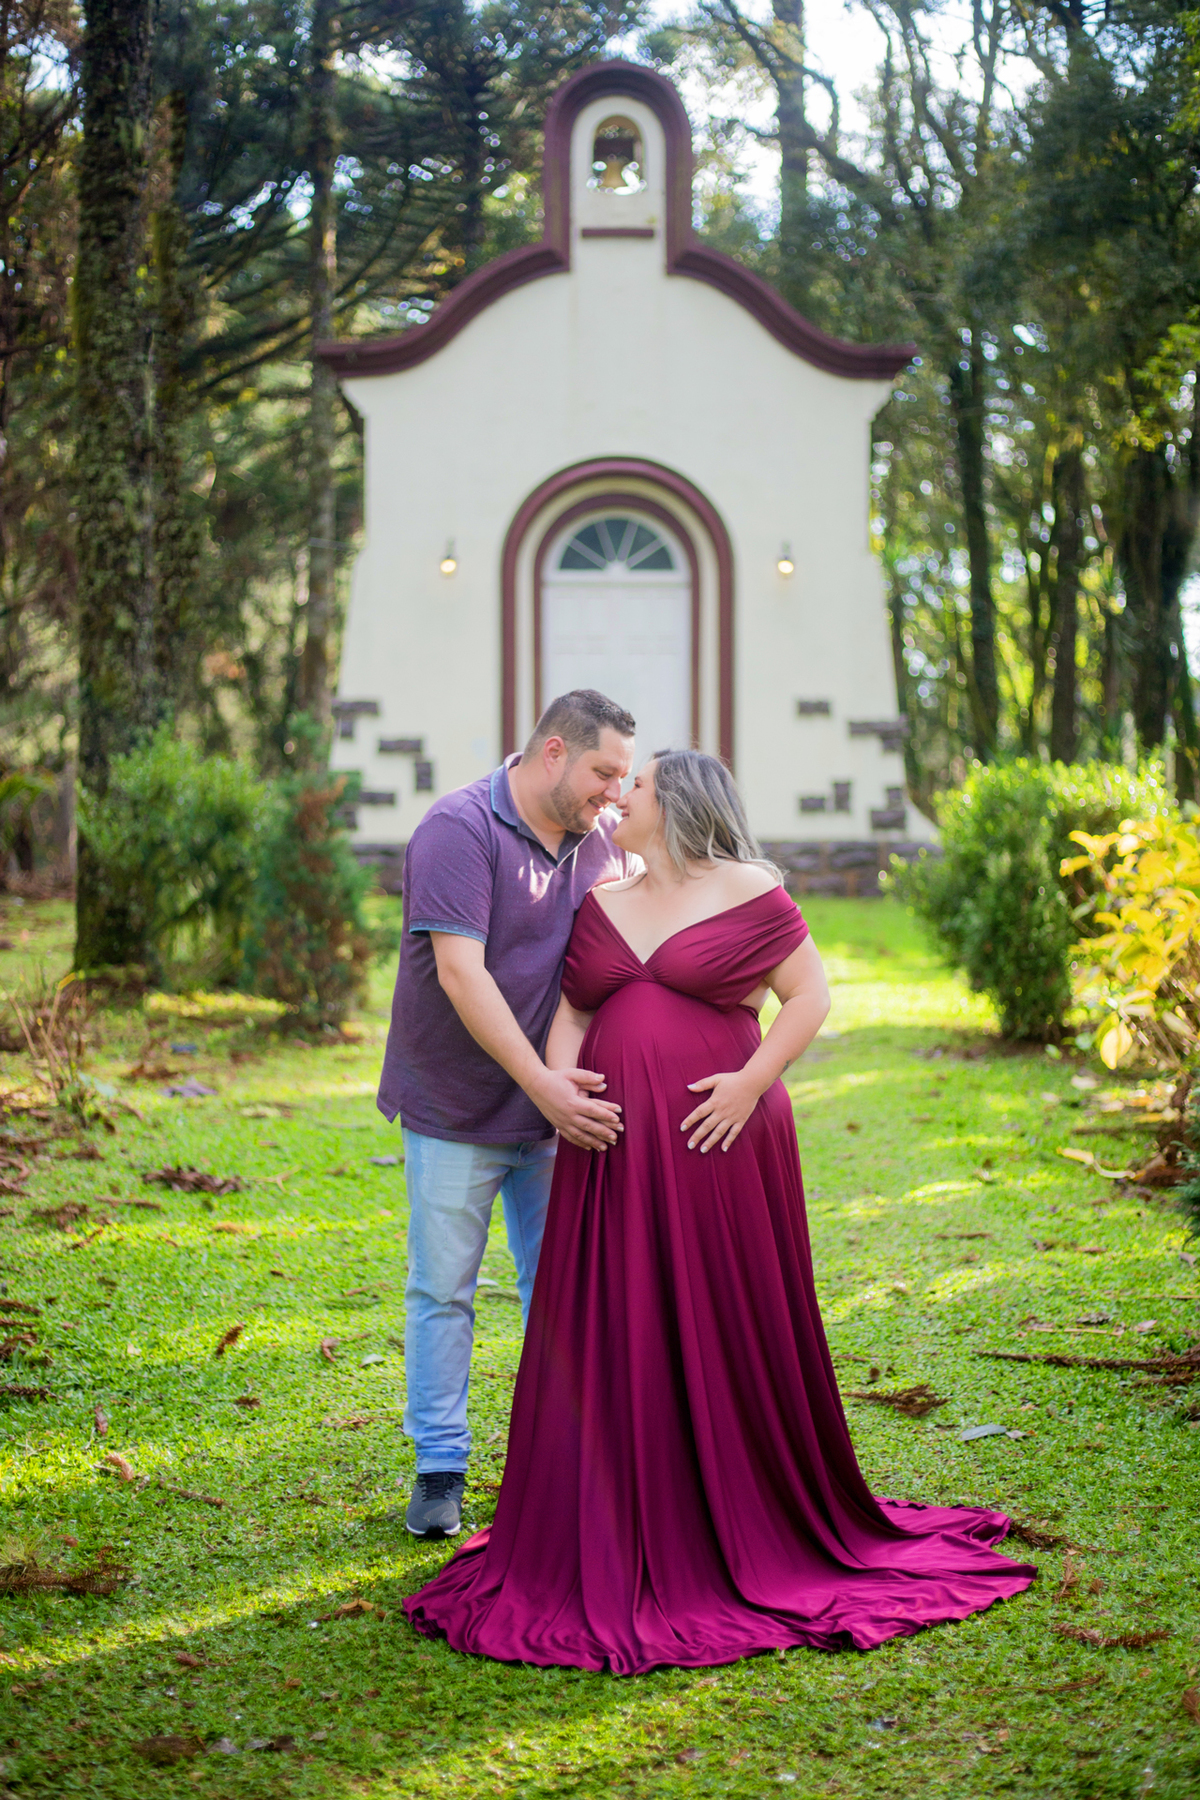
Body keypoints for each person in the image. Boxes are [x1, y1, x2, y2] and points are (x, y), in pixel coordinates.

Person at [404, 749, 1036, 1671]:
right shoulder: (603, 898)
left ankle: (741, 1505)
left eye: (641, 786)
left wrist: (747, 1083)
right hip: (609, 1150)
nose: (624, 796)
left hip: (720, 1143)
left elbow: (809, 995)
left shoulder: (748, 888)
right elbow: (576, 1009)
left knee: (722, 1314)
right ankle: (618, 1502)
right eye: (619, 781)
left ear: (682, 805)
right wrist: (560, 1086)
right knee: (618, 1323)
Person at [380, 689, 638, 1539]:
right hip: (457, 1107)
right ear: (555, 752)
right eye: (604, 772)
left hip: (555, 1108)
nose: (613, 792)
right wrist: (544, 1085)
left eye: (624, 778)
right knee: (443, 1290)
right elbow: (462, 975)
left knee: (560, 1286)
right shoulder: (458, 830)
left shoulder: (602, 846)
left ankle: (558, 1459)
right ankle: (440, 1467)